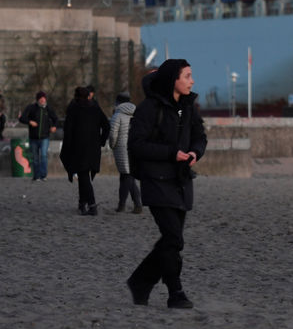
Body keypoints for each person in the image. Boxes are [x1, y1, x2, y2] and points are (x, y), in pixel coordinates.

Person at [127, 59, 207, 309]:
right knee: (173, 239)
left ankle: (140, 281)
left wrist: (195, 152)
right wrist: (171, 153)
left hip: (181, 181)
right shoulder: (148, 108)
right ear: (173, 79)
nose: (192, 81)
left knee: (171, 240)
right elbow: (136, 145)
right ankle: (176, 292)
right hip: (156, 181)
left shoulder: (188, 107)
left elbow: (199, 136)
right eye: (187, 76)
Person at [60, 87, 110, 215]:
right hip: (93, 148)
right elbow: (106, 125)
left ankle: (92, 205)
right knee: (84, 175)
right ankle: (82, 203)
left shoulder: (73, 109)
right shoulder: (95, 108)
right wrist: (101, 141)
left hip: (79, 148)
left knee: (83, 176)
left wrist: (67, 148)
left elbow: (68, 131)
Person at [109, 92, 142, 214]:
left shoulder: (117, 115)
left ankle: (123, 205)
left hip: (122, 148)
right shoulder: (137, 113)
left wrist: (112, 145)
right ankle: (136, 204)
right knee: (129, 176)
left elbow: (113, 134)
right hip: (135, 147)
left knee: (126, 176)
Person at [19, 91, 59, 181]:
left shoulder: (48, 109)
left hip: (45, 137)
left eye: (44, 98)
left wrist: (54, 126)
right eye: (40, 98)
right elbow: (22, 118)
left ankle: (43, 175)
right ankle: (36, 176)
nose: (42, 100)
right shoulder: (31, 108)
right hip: (33, 137)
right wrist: (30, 122)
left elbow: (56, 119)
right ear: (37, 100)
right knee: (35, 157)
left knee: (44, 156)